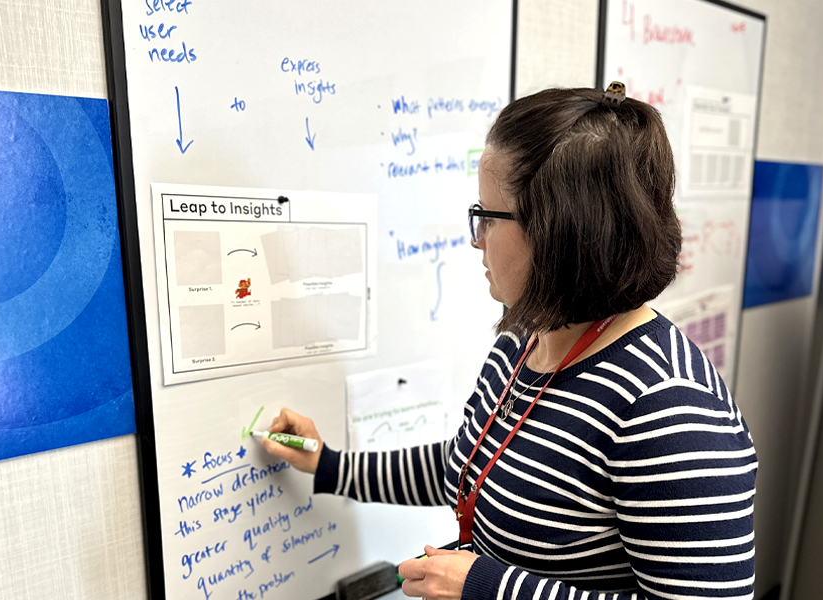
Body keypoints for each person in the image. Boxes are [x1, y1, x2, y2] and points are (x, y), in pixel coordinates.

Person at [260, 85, 757, 600]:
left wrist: (486, 585)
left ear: (561, 232)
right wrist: (329, 463)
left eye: (488, 218)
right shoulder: (528, 335)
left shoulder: (668, 407)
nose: (476, 240)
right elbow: (471, 466)